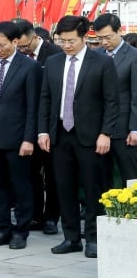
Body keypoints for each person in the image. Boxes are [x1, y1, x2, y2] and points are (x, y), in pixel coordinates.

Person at [38, 15, 118, 259]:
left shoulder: (101, 62)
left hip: (91, 136)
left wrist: (106, 133)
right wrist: (43, 130)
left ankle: (93, 238)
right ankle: (71, 237)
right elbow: (46, 99)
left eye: (71, 40)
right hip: (60, 134)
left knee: (93, 189)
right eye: (62, 41)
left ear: (84, 37)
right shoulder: (53, 63)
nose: (66, 45)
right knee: (64, 188)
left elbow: (111, 101)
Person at [0, 21, 40, 250]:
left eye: (1, 45)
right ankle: (2, 229)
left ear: (15, 42)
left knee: (20, 186)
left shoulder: (29, 67)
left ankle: (21, 231)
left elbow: (33, 106)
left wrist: (28, 139)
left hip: (17, 138)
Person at [13, 18, 64, 235]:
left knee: (52, 173)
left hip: (51, 124)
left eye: (25, 45)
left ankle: (52, 216)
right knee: (30, 172)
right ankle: (35, 214)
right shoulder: (18, 57)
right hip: (26, 124)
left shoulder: (54, 54)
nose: (22, 49)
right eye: (18, 45)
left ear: (35, 36)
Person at [92, 13, 137, 186]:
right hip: (98, 127)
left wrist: (135, 128)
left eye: (108, 37)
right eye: (100, 38)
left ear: (120, 31)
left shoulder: (133, 56)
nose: (104, 42)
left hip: (124, 128)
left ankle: (131, 212)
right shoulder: (95, 55)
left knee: (129, 174)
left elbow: (135, 95)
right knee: (101, 175)